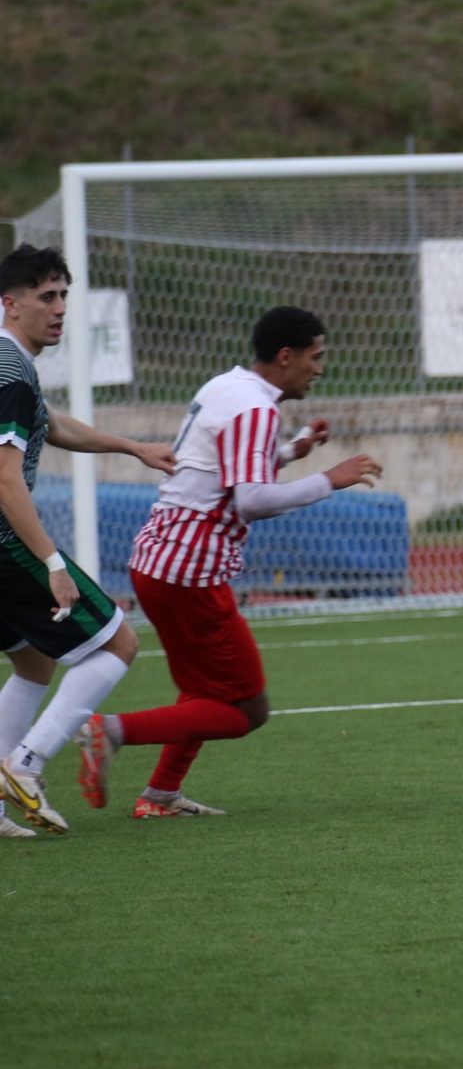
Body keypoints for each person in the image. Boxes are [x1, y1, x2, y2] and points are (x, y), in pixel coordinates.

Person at [72, 305, 382, 819]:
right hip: (190, 570)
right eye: (316, 356)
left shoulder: (226, 387)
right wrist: (331, 479)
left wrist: (294, 449)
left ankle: (160, 795)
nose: (320, 368)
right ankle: (110, 731)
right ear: (287, 356)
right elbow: (251, 500)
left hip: (158, 560)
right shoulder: (256, 408)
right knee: (246, 709)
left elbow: (221, 465)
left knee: (201, 690)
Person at [0, 245, 176, 837]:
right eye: (46, 297)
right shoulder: (10, 371)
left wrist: (132, 447)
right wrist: (51, 560)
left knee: (33, 660)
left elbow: (52, 424)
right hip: (6, 544)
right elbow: (4, 478)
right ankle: (25, 765)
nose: (59, 309)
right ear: (11, 304)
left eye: (63, 296)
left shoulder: (11, 364)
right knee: (117, 644)